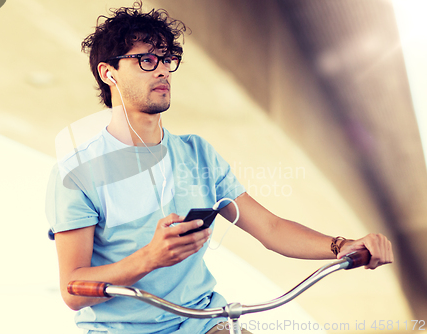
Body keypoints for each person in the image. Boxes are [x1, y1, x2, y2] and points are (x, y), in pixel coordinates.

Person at [45, 2, 394, 334]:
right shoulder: (76, 173)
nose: (164, 69)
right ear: (109, 73)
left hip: (203, 322)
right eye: (147, 60)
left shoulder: (197, 154)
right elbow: (73, 290)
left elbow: (270, 228)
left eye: (168, 59)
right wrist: (150, 257)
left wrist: (342, 245)